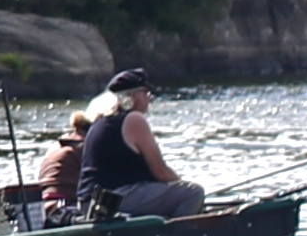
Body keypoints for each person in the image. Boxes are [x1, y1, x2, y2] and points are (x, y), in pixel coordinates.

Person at [65, 66, 206, 221]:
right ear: (131, 96)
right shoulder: (134, 119)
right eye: (145, 92)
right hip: (112, 201)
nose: (149, 97)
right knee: (192, 193)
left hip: (91, 203)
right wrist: (181, 183)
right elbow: (160, 172)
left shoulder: (99, 122)